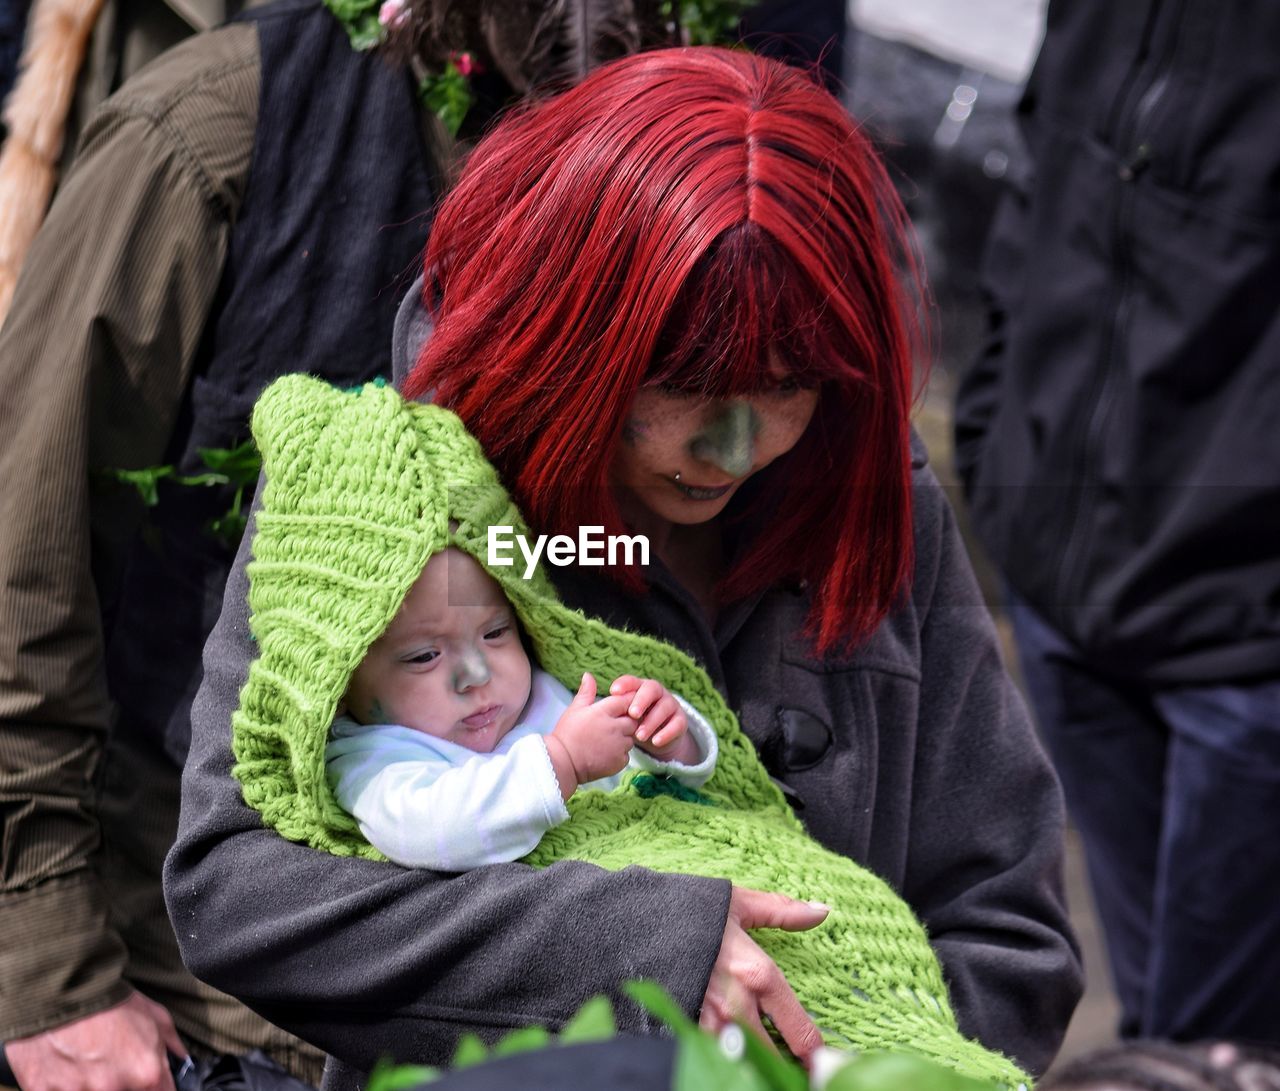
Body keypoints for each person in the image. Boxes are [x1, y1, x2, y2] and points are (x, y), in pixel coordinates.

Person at [166, 46, 1083, 1089]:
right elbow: (239, 890)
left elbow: (1009, 928)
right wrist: (640, 954)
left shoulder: (870, 486)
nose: (730, 450)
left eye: (784, 387)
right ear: (568, 335)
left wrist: (861, 1057)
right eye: (687, 383)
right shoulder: (375, 488)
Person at [0, 1, 673, 1088]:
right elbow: (23, 547)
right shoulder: (211, 137)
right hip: (196, 987)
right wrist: (47, 966)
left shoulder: (671, 139)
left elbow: (587, 554)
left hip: (525, 989)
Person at [954, 0, 1280, 1045]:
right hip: (1063, 584)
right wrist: (995, 428)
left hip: (1244, 643)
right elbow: (1045, 158)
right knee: (1152, 1035)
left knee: (1205, 1049)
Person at [327, 545, 715, 870]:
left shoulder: (542, 694)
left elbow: (647, 782)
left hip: (678, 852)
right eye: (424, 656)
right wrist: (563, 761)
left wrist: (665, 742)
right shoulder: (374, 760)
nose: (477, 674)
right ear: (342, 684)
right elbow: (432, 833)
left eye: (495, 633)